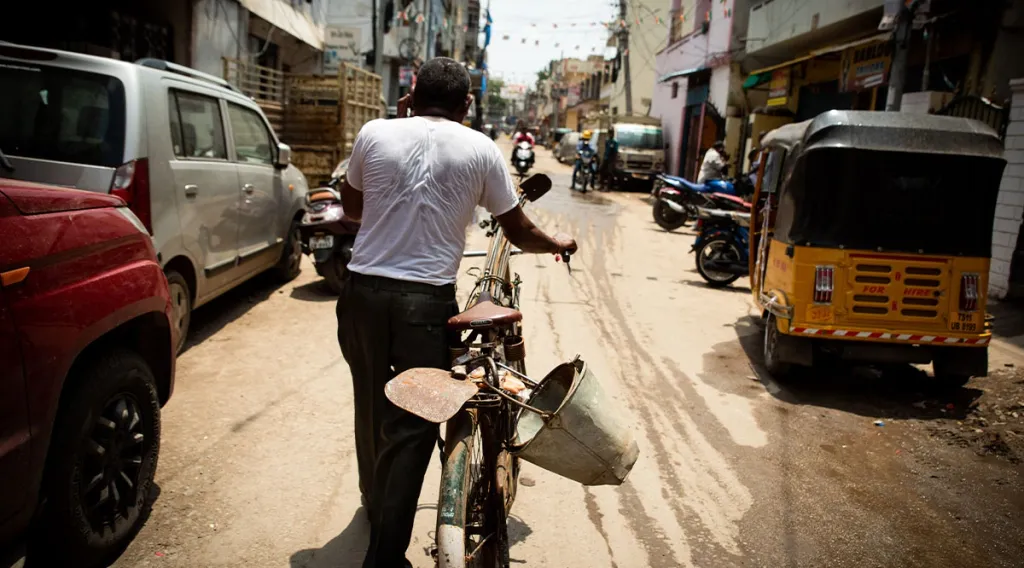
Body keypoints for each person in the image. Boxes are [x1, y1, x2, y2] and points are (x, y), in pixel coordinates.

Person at [336, 57, 577, 568]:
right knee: (414, 426)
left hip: (361, 298)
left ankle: (375, 505)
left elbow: (352, 209)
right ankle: (383, 556)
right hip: (424, 305)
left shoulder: (375, 132)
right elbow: (517, 230)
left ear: (412, 93)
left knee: (371, 406)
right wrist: (557, 241)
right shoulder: (482, 149)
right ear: (467, 104)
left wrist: (393, 124)